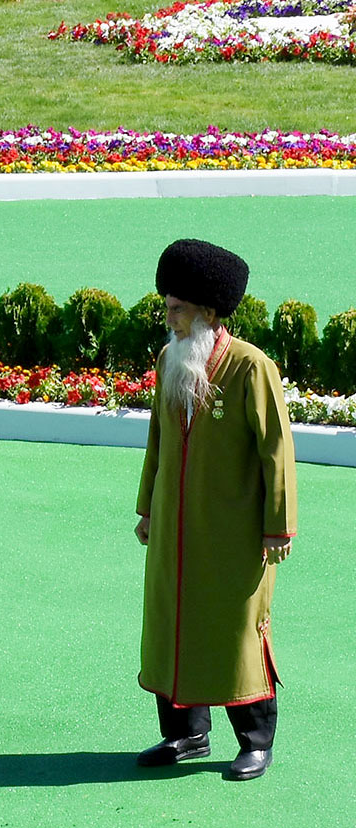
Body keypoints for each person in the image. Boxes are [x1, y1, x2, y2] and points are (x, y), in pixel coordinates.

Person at [134, 238, 297, 782]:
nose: (168, 317)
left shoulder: (252, 367)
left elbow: (276, 448)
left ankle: (255, 740)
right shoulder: (168, 359)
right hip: (175, 529)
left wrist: (278, 525)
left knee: (234, 628)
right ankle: (186, 735)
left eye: (177, 308)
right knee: (173, 623)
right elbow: (158, 440)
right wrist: (147, 509)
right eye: (166, 306)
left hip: (235, 531)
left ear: (207, 312)